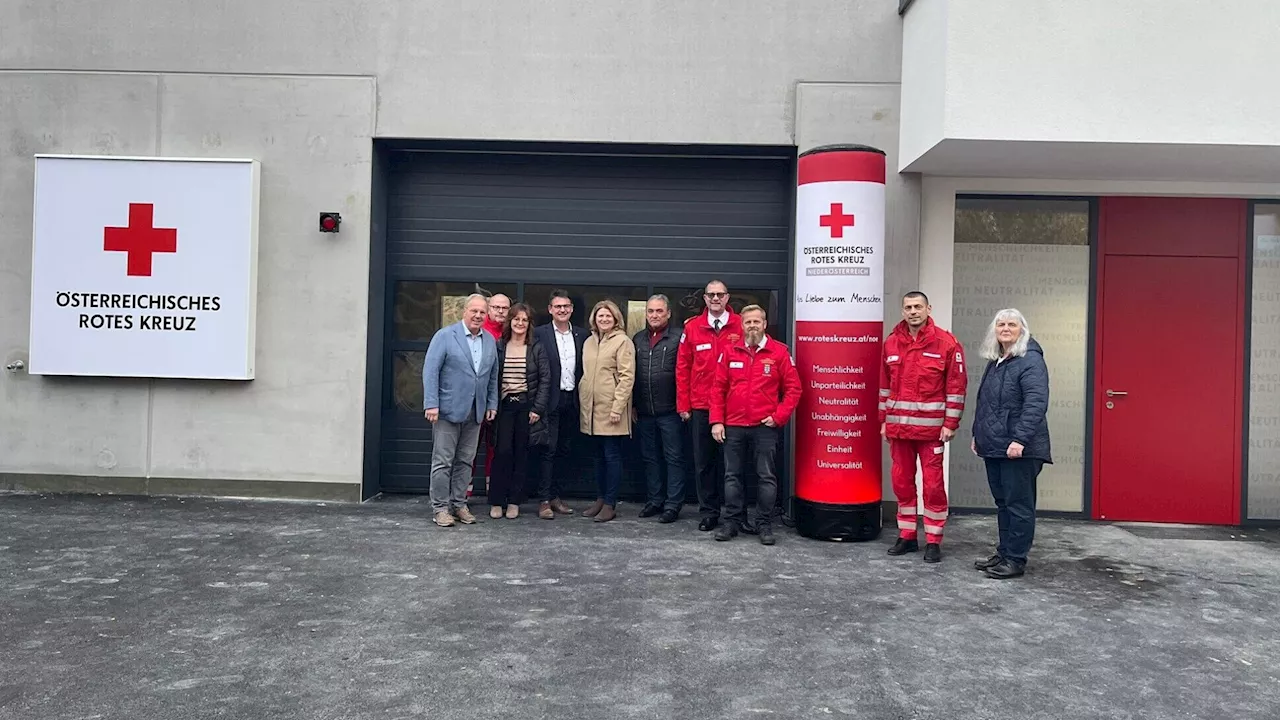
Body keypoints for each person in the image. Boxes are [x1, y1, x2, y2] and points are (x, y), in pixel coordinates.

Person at [879, 291, 967, 563]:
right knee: (902, 484)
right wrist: (883, 421)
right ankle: (906, 536)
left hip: (931, 433)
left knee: (932, 486)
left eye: (918, 306)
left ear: (929, 308)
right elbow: (884, 386)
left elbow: (956, 387)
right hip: (899, 431)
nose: (913, 311)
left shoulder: (947, 343)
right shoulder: (891, 343)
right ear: (903, 310)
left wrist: (950, 423)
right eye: (908, 307)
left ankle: (933, 540)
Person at [710, 305, 801, 545]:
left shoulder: (780, 352)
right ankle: (731, 522)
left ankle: (764, 524)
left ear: (764, 323)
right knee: (732, 476)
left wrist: (778, 416)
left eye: (756, 322)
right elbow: (718, 389)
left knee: (766, 477)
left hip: (765, 427)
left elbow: (794, 389)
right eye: (748, 322)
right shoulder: (729, 352)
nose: (752, 326)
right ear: (742, 325)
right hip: (733, 425)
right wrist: (717, 421)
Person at [971, 308, 1051, 580]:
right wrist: (977, 435)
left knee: (1019, 505)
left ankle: (1016, 559)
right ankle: (1004, 552)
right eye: (1001, 324)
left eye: (1012, 324)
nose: (1005, 328)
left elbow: (1036, 403)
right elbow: (986, 403)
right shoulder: (997, 360)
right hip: (994, 445)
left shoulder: (1030, 360)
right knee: (1003, 502)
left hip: (1018, 448)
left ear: (1022, 329)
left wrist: (1020, 439)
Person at [422, 294, 499, 527]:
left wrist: (492, 404)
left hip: (475, 412)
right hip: (446, 410)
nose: (478, 315)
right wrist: (431, 403)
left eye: (482, 312)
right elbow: (430, 371)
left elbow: (492, 376)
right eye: (474, 311)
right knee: (443, 461)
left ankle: (459, 504)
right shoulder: (445, 336)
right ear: (464, 311)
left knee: (466, 461)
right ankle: (440, 508)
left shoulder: (489, 341)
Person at [676, 279, 743, 532]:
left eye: (720, 295)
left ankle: (737, 514)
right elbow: (682, 368)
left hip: (734, 407)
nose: (715, 299)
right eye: (711, 295)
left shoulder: (741, 325)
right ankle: (709, 513)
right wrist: (683, 404)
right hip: (702, 406)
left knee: (734, 465)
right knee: (704, 464)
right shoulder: (692, 328)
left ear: (727, 298)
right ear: (704, 299)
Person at [489, 303, 551, 520]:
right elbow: (491, 377)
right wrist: (491, 405)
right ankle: (497, 500)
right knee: (502, 452)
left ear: (529, 324)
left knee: (521, 454)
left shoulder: (536, 347)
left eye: (525, 320)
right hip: (504, 406)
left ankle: (514, 501)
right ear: (510, 321)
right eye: (516, 319)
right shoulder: (499, 346)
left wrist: (538, 409)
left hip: (526, 407)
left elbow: (545, 380)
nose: (520, 323)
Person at [532, 290, 590, 520]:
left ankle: (557, 497)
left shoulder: (582, 335)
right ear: (550, 309)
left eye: (566, 306)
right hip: (549, 400)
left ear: (572, 309)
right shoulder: (539, 334)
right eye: (558, 307)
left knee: (565, 451)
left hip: (572, 400)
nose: (562, 310)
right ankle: (544, 499)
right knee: (548, 450)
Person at [579, 300, 636, 523]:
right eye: (600, 316)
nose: (603, 320)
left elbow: (626, 377)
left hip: (612, 410)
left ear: (615, 320)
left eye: (608, 317)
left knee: (612, 456)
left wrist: (617, 408)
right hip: (591, 410)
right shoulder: (589, 342)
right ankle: (600, 499)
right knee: (597, 457)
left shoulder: (623, 342)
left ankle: (611, 503)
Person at [632, 294, 686, 523]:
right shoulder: (637, 339)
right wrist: (633, 404)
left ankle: (673, 505)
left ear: (668, 313)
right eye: (651, 311)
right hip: (644, 411)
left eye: (659, 311)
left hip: (671, 411)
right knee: (650, 458)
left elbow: (685, 372)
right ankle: (655, 501)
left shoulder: (678, 337)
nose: (654, 315)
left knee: (674, 458)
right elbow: (631, 374)